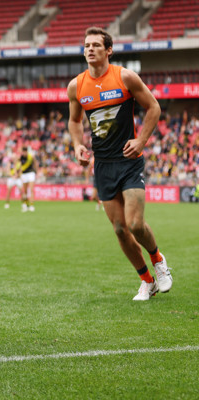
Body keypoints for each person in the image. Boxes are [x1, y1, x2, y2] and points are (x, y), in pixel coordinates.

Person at [67, 26, 173, 301]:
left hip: (129, 161)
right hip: (102, 165)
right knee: (118, 229)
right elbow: (74, 120)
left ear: (108, 50)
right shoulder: (76, 85)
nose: (89, 49)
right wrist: (78, 145)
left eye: (96, 45)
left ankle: (159, 261)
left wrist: (141, 141)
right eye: (86, 45)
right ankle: (146, 280)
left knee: (135, 224)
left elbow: (154, 107)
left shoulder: (124, 76)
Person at [20, 147, 37, 212]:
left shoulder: (31, 157)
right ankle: (26, 204)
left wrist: (36, 171)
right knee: (25, 190)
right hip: (24, 174)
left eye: (25, 151)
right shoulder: (20, 157)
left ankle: (32, 205)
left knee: (31, 189)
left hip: (31, 173)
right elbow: (18, 164)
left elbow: (35, 163)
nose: (24, 153)